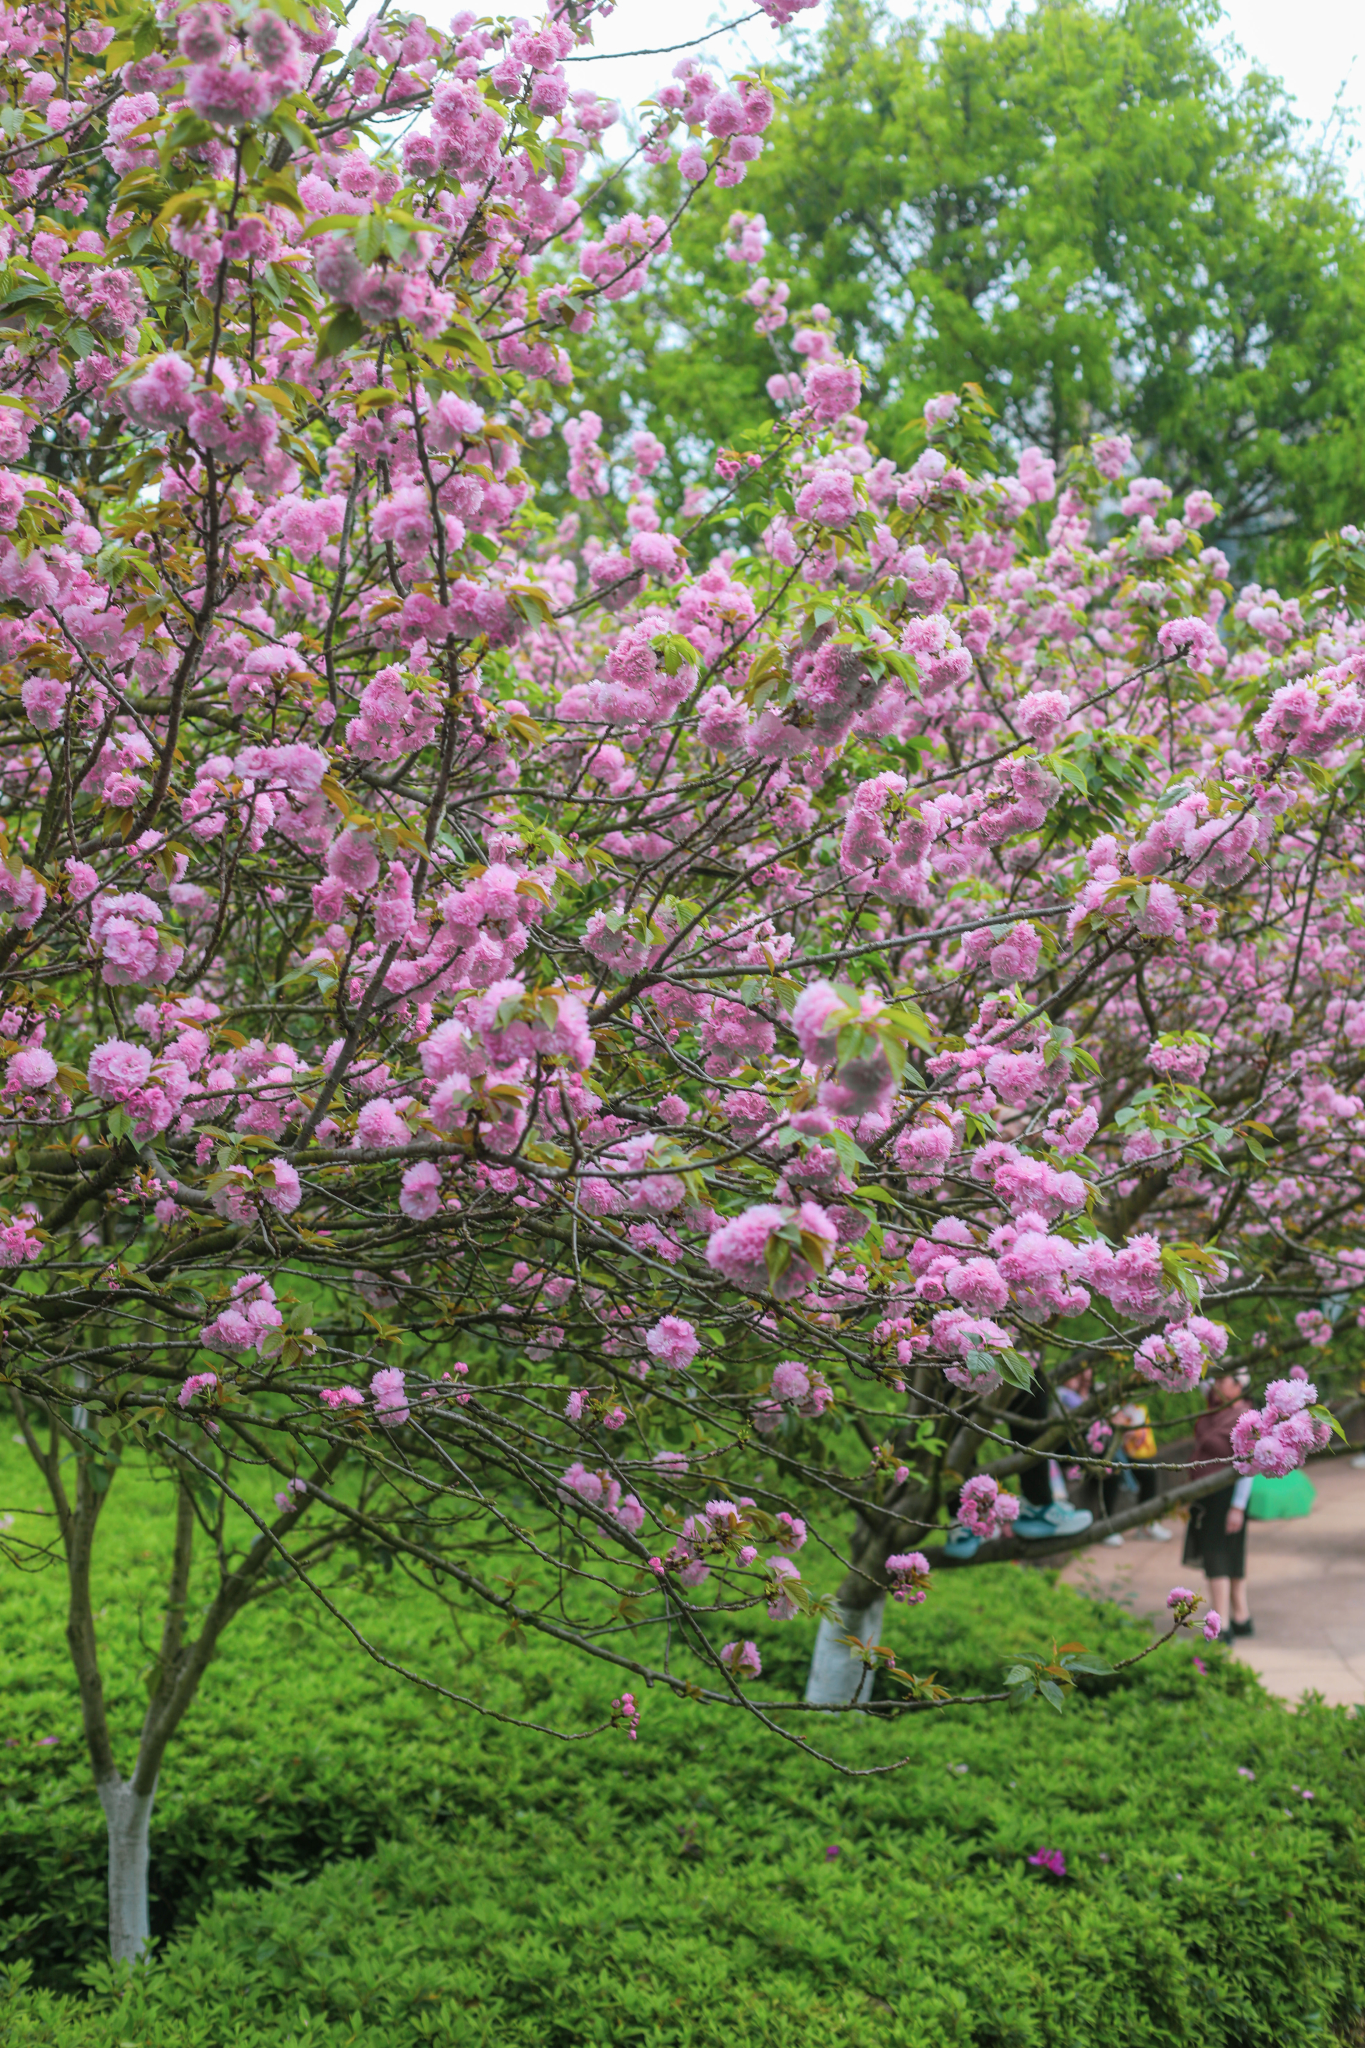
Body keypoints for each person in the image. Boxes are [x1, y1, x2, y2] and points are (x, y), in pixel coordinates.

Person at [1183, 1370, 1255, 1639]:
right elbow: (1198, 1380)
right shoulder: (1216, 1408)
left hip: (1228, 1495)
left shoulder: (1248, 1418)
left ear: (1240, 1386)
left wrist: (1237, 1506)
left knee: (1219, 1555)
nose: (1216, 1385)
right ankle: (1241, 1617)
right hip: (1209, 1494)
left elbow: (1250, 1465)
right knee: (1228, 1555)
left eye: (1224, 1380)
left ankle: (1221, 1623)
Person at [1096, 1400, 1172, 1545]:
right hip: (1099, 1456)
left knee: (1148, 1472)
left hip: (1120, 1454)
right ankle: (1104, 1527)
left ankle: (1146, 1524)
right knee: (1113, 1474)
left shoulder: (1125, 1407)